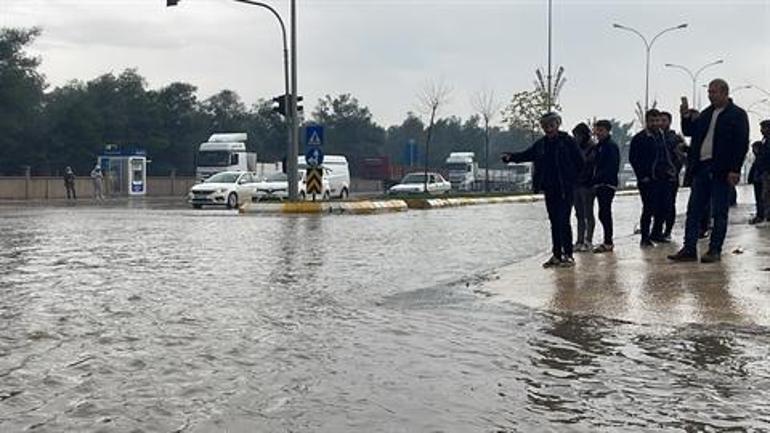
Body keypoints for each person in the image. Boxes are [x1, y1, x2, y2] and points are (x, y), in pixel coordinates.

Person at [668, 79, 750, 263]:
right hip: (701, 168)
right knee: (694, 210)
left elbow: (741, 143)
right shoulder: (706, 114)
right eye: (709, 92)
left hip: (721, 169)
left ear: (724, 92)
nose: (710, 95)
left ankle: (714, 250)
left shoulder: (737, 115)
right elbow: (690, 131)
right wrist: (685, 116)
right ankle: (689, 249)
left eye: (714, 92)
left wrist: (735, 169)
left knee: (719, 212)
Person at [501, 112, 584, 268]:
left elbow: (580, 162)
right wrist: (511, 157)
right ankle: (557, 255)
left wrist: (573, 180)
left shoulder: (568, 142)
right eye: (545, 126)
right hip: (549, 187)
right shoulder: (541, 144)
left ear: (557, 125)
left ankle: (568, 255)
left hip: (565, 187)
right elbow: (527, 154)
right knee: (554, 221)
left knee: (564, 221)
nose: (548, 129)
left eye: (551, 125)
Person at [629, 109, 675, 247]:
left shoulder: (662, 136)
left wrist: (670, 171)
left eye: (657, 120)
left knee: (664, 206)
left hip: (663, 177)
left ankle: (657, 233)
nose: (655, 123)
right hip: (648, 179)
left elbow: (666, 155)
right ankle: (645, 237)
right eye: (652, 121)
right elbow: (634, 159)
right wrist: (642, 176)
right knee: (648, 208)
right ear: (647, 121)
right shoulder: (640, 138)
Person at [591, 119, 620, 253]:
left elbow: (611, 166)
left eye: (601, 130)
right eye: (597, 130)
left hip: (607, 184)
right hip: (599, 183)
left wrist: (597, 179)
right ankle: (607, 240)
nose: (598, 133)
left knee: (605, 212)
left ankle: (608, 242)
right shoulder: (599, 146)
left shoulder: (610, 146)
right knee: (603, 213)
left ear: (608, 131)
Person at [659, 111, 686, 242]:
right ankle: (657, 230)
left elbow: (681, 157)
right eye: (660, 120)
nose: (661, 123)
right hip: (656, 177)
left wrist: (673, 170)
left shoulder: (675, 139)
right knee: (657, 205)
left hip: (670, 177)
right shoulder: (654, 137)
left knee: (669, 204)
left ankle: (668, 231)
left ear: (669, 122)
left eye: (664, 120)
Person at [571, 122, 597, 252]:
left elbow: (590, 165)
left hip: (588, 185)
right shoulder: (576, 147)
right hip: (576, 184)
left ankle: (588, 240)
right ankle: (579, 240)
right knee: (579, 214)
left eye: (578, 135)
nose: (576, 138)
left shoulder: (593, 148)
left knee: (588, 213)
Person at [756, 119, 770, 224]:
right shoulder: (765, 140)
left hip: (767, 171)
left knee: (766, 194)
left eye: (763, 128)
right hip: (764, 171)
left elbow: (766, 157)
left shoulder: (768, 141)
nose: (761, 130)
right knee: (765, 195)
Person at [748, 141, 765, 224]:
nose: (753, 151)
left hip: (759, 180)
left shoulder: (760, 159)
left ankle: (761, 215)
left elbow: (756, 169)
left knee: (760, 198)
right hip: (757, 180)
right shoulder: (758, 158)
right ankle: (761, 214)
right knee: (759, 198)